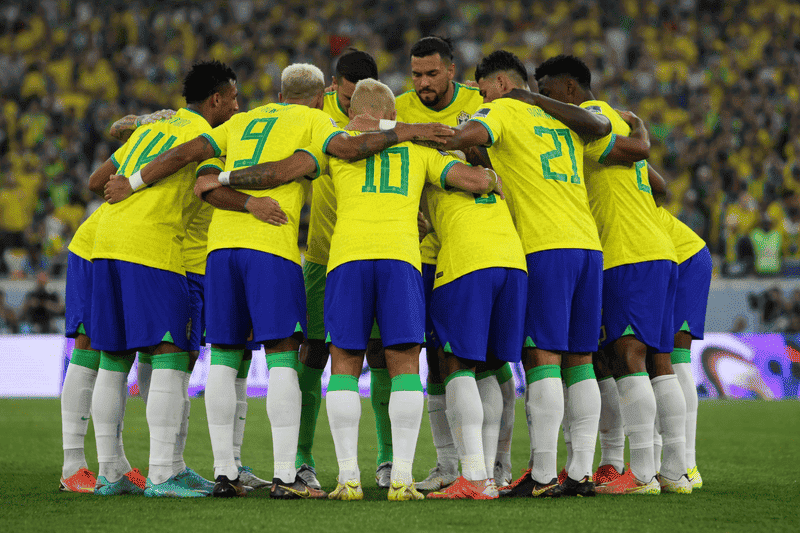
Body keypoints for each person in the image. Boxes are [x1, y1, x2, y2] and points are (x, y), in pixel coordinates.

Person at [118, 62, 453, 499]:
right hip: (272, 249)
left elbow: (195, 169)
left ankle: (226, 473)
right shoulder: (315, 121)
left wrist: (137, 179)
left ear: (280, 91)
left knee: (224, 355)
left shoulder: (241, 121)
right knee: (282, 356)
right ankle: (286, 475)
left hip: (219, 249)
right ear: (320, 97)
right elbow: (317, 161)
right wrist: (407, 131)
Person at [438, 50, 616, 498]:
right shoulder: (562, 120)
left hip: (543, 247)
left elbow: (470, 134)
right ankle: (579, 472)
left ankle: (540, 476)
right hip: (587, 248)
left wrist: (450, 133)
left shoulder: (502, 109)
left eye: (482, 89)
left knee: (543, 360)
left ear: (499, 84)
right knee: (580, 362)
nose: (480, 96)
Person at [316, 78, 502, 501]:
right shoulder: (418, 150)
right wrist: (491, 177)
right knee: (403, 364)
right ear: (395, 115)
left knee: (344, 361)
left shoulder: (337, 142)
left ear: (353, 114)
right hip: (401, 260)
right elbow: (470, 180)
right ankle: (401, 477)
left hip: (347, 258)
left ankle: (347, 479)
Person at [533, 54, 687, 495]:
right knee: (660, 363)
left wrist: (638, 136)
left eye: (546, 91)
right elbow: (659, 185)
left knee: (626, 357)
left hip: (626, 252)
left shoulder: (594, 118)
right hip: (657, 249)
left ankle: (641, 475)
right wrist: (636, 129)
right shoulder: (615, 121)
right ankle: (674, 472)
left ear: (568, 90)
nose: (543, 100)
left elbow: (639, 152)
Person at [87, 60, 240, 498]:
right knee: (171, 357)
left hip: (107, 244)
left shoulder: (153, 128)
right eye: (233, 99)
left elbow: (97, 180)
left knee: (113, 361)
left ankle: (111, 473)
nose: (236, 106)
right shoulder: (207, 139)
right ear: (216, 100)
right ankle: (162, 473)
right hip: (154, 249)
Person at [394, 35, 496, 491]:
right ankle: (447, 465)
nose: (423, 83)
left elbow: (508, 162)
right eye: (416, 74)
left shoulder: (482, 103)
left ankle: (495, 465)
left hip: (478, 246)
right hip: (424, 253)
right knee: (436, 361)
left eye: (431, 73)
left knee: (488, 360)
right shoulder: (399, 108)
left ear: (452, 70)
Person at [295, 48, 384, 490]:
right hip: (321, 255)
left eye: (356, 100)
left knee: (383, 355)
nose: (351, 108)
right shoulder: (315, 114)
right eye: (344, 99)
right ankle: (301, 459)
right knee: (312, 355)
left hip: (374, 252)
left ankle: (387, 460)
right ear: (333, 87)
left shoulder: (384, 111)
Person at [58, 203, 148, 495]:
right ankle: (72, 466)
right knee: (90, 346)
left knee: (119, 349)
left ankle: (115, 462)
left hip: (127, 247)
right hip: (99, 248)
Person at [652, 170, 713, 490]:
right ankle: (672, 462)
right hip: (674, 256)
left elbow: (661, 187)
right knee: (663, 359)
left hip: (684, 257)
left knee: (675, 359)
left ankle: (686, 464)